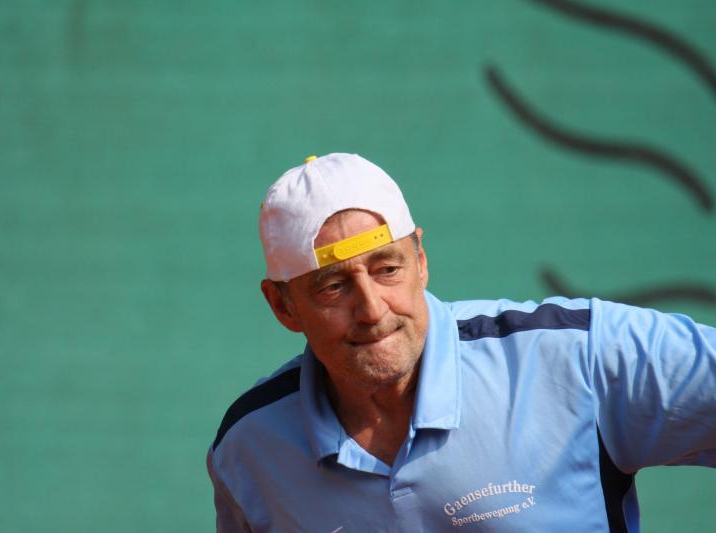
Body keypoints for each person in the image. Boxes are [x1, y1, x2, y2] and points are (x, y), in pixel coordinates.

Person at [206, 153, 716, 532]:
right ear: (283, 306)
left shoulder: (575, 357)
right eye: (334, 286)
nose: (372, 309)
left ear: (421, 260)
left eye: (388, 268)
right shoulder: (248, 448)